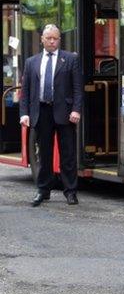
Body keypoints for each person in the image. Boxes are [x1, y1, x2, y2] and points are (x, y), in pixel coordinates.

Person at [19, 24, 83, 207]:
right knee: (44, 155)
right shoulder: (32, 62)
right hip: (41, 112)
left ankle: (70, 192)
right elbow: (26, 91)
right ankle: (43, 190)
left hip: (64, 112)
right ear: (42, 39)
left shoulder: (70, 59)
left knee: (68, 155)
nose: (52, 41)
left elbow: (78, 88)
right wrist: (24, 114)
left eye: (55, 38)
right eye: (49, 38)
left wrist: (76, 110)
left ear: (59, 40)